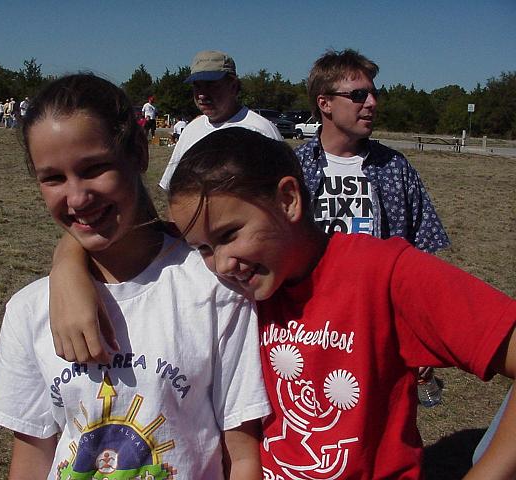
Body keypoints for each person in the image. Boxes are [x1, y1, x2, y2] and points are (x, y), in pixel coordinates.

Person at [166, 127, 516, 479]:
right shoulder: (235, 295)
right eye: (204, 249)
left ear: (288, 200)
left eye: (229, 235)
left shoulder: (385, 274)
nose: (222, 264)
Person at [0, 74, 270, 479]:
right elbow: (32, 456)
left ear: (138, 152)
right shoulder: (28, 310)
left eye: (95, 168)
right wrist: (66, 263)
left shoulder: (217, 290)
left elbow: (241, 455)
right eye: (53, 178)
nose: (78, 197)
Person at [299, 49, 451, 396]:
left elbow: (421, 257)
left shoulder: (394, 168)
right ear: (325, 103)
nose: (371, 103)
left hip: (378, 323)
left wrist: (420, 326)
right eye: (357, 95)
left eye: (373, 94)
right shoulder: (294, 167)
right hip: (308, 321)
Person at [158, 49, 282, 190]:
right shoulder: (191, 131)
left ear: (233, 86)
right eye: (197, 86)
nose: (202, 95)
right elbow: (171, 188)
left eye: (211, 85)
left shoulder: (261, 130)